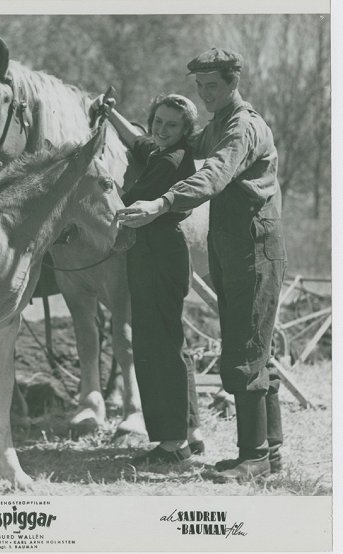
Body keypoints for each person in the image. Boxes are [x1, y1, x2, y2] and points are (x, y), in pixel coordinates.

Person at [116, 48, 286, 481]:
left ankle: (254, 457)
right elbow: (170, 143)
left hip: (254, 248)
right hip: (230, 247)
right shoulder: (217, 126)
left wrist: (161, 203)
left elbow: (213, 175)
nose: (206, 93)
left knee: (246, 353)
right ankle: (270, 452)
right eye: (200, 87)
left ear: (233, 83)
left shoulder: (242, 128)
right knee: (250, 347)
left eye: (213, 86)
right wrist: (119, 123)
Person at [90, 93, 204, 463]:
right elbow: (137, 142)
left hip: (157, 252)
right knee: (168, 340)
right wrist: (110, 115)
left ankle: (173, 444)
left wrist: (100, 178)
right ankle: (189, 431)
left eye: (172, 125)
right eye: (157, 122)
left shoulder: (172, 160)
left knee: (157, 345)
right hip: (155, 250)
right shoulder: (160, 150)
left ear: (186, 130)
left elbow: (131, 199)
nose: (161, 130)